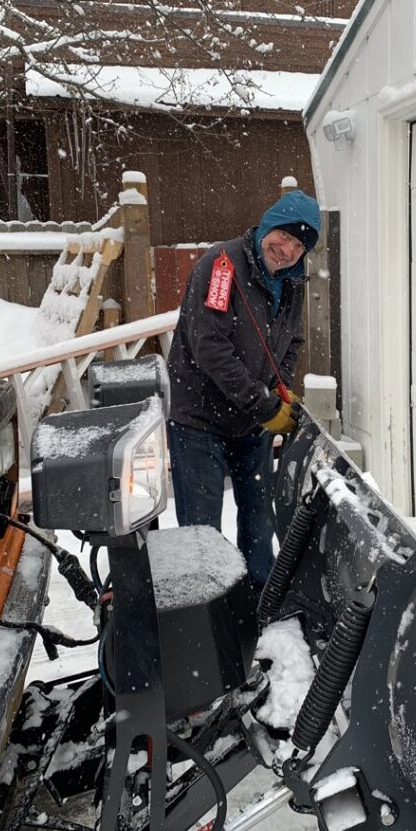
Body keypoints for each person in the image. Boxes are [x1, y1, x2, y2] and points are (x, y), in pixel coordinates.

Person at [166, 189, 322, 587]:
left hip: (250, 423)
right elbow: (209, 348)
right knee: (202, 534)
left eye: (298, 245)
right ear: (267, 226)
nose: (286, 250)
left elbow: (291, 344)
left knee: (258, 520)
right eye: (283, 236)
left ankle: (257, 604)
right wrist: (264, 405)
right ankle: (207, 618)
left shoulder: (292, 283)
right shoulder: (221, 267)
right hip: (199, 421)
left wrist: (281, 391)